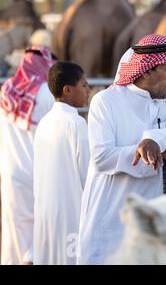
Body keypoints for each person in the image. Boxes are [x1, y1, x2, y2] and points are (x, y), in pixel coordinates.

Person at [77, 34, 166, 264]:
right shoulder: (106, 101)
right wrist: (148, 151)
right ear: (147, 70)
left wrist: (155, 141)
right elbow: (102, 157)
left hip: (153, 222)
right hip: (112, 216)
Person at [0, 46, 56, 264]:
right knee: (40, 228)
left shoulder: (6, 91)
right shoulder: (47, 94)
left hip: (11, 173)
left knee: (14, 229)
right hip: (39, 170)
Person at [33, 61, 90, 265]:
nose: (88, 91)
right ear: (67, 90)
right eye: (84, 85)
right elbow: (87, 175)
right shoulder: (77, 124)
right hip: (71, 213)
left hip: (46, 213)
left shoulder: (44, 123)